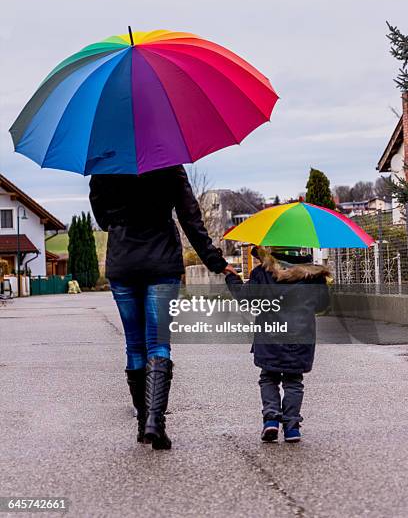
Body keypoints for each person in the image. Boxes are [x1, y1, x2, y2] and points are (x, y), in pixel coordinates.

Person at [89, 166, 235, 450]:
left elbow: (102, 216)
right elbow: (190, 218)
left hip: (123, 262)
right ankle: (156, 421)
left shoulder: (105, 163)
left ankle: (144, 422)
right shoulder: (169, 163)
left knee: (134, 346)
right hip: (161, 262)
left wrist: (123, 220)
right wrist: (215, 261)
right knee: (158, 343)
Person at [225, 246, 330, 443]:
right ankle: (292, 428)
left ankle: (271, 420)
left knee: (268, 377)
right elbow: (322, 305)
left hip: (270, 334)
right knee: (294, 381)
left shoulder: (262, 273)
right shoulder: (313, 275)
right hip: (300, 335)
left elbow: (246, 299)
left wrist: (232, 277)